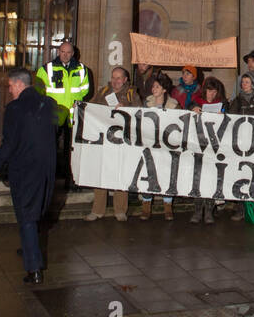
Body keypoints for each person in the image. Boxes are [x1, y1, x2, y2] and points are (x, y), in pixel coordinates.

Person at [0, 68, 59, 284]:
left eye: (10, 86)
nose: (9, 90)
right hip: (46, 168)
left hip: (24, 169)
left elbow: (10, 142)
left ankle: (34, 268)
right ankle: (30, 248)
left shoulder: (14, 108)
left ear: (19, 84)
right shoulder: (49, 104)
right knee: (36, 212)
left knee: (26, 216)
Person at [35, 41, 91, 189]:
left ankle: (70, 180)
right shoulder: (46, 69)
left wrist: (76, 101)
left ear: (73, 54)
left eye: (68, 52)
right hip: (53, 114)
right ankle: (49, 179)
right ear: (58, 52)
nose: (65, 55)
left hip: (73, 115)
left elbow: (85, 89)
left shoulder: (82, 69)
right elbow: (39, 90)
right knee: (49, 147)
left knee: (72, 150)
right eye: (62, 52)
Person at [86, 67, 138, 222]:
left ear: (125, 79)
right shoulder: (103, 91)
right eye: (113, 77)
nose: (115, 81)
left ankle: (120, 210)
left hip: (122, 141)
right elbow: (91, 107)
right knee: (101, 173)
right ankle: (97, 210)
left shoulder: (131, 94)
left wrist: (126, 109)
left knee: (120, 174)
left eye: (119, 78)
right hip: (103, 140)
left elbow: (140, 113)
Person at [140, 73, 182, 220]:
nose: (153, 89)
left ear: (164, 89)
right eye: (153, 86)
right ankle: (146, 206)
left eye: (157, 86)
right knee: (148, 172)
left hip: (167, 146)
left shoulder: (174, 105)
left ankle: (167, 206)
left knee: (167, 173)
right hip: (150, 144)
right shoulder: (146, 103)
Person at [189, 76, 228, 223]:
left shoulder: (223, 104)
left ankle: (209, 211)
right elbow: (186, 111)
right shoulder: (195, 102)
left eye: (214, 92)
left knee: (211, 178)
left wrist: (223, 116)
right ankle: (198, 210)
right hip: (198, 144)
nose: (211, 95)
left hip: (214, 147)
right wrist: (193, 109)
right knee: (198, 178)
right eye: (209, 91)